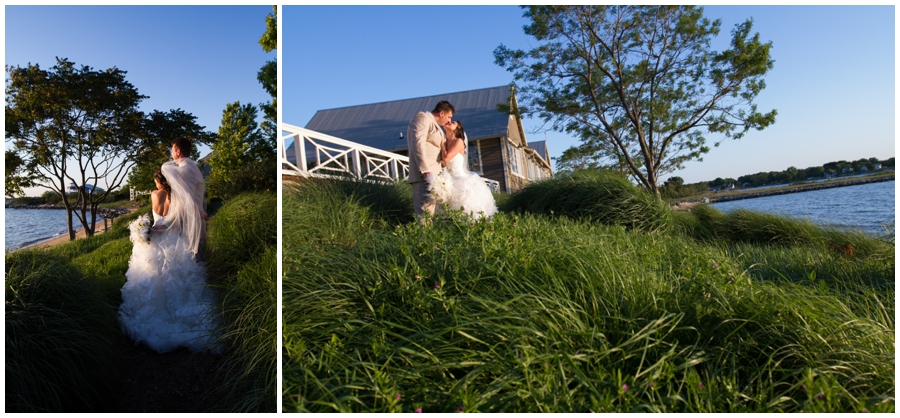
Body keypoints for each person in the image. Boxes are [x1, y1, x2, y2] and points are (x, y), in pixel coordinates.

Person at [118, 139, 221, 354]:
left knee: (153, 277)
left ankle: (154, 318)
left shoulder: (155, 195)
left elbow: (157, 219)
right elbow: (182, 215)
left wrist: (143, 229)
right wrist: (202, 214)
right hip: (175, 240)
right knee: (180, 278)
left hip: (156, 239)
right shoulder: (177, 197)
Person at [436, 120, 497, 219]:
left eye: (454, 122)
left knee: (465, 208)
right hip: (446, 179)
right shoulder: (443, 140)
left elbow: (446, 159)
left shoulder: (458, 141)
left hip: (460, 180)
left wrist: (442, 144)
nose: (449, 122)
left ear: (458, 128)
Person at [407, 101, 454, 219]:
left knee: (435, 215)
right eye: (449, 117)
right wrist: (425, 170)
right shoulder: (423, 118)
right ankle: (423, 237)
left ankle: (432, 237)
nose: (449, 121)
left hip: (436, 176)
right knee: (424, 214)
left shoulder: (436, 125)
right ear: (441, 113)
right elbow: (418, 143)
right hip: (425, 175)